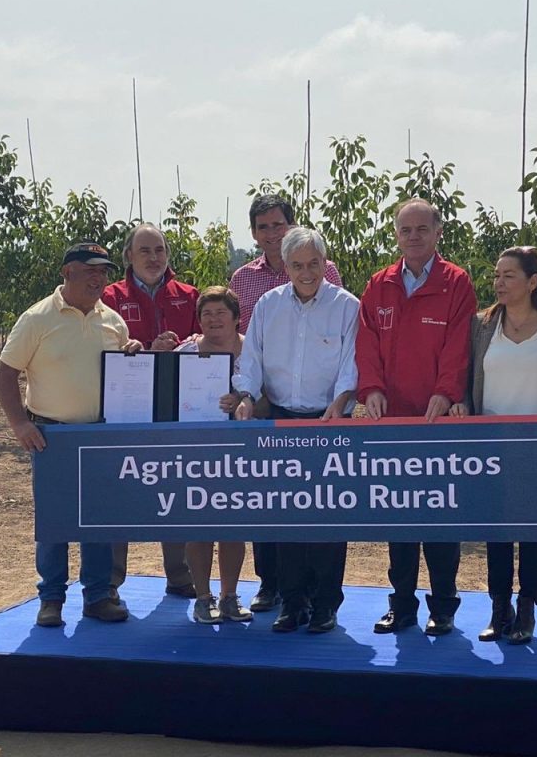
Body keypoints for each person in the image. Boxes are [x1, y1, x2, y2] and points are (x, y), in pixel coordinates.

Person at [0, 242, 142, 627]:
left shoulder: (113, 321)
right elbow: (5, 375)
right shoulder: (37, 318)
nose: (99, 278)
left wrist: (133, 355)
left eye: (104, 271)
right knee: (55, 521)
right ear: (67, 273)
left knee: (97, 521)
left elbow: (119, 372)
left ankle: (97, 596)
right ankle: (52, 599)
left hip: (98, 434)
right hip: (52, 435)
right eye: (90, 270)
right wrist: (20, 425)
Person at [356, 198, 477, 636]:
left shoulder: (456, 282)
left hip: (436, 421)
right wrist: (371, 388)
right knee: (399, 516)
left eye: (422, 229)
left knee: (441, 515)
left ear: (438, 232)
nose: (413, 236)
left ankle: (443, 606)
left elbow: (458, 344)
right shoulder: (379, 283)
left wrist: (446, 393)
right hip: (392, 422)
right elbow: (366, 341)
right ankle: (401, 605)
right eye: (406, 229)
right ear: (396, 234)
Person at [234, 227, 358, 634]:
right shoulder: (268, 306)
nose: (306, 273)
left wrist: (340, 404)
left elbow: (351, 365)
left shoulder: (347, 306)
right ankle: (293, 601)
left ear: (325, 263)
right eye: (298, 265)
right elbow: (251, 356)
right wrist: (246, 396)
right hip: (281, 420)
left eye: (314, 264)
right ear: (285, 266)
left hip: (328, 421)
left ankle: (325, 604)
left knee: (326, 517)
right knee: (284, 516)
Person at [450, 247, 537, 644]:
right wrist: (461, 401)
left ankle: (528, 608)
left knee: (532, 530)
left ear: (533, 282)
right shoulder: (482, 325)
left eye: (509, 276)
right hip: (491, 441)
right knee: (495, 528)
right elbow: (465, 373)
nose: (498, 283)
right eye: (497, 275)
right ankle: (500, 608)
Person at [101, 224, 198, 601]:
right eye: (144, 251)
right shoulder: (108, 298)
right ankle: (109, 581)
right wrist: (142, 352)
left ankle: (179, 574)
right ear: (128, 256)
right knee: (118, 492)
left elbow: (205, 344)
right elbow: (103, 350)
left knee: (174, 488)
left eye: (159, 250)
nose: (154, 258)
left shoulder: (189, 297)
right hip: (125, 412)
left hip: (177, 411)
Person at [173, 286, 252, 624]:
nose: (213, 319)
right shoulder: (185, 353)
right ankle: (203, 597)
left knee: (234, 527)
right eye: (206, 313)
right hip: (196, 451)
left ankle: (229, 596)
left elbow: (268, 398)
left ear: (236, 317)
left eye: (221, 312)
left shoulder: (255, 351)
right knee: (198, 525)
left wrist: (242, 402)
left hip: (244, 454)